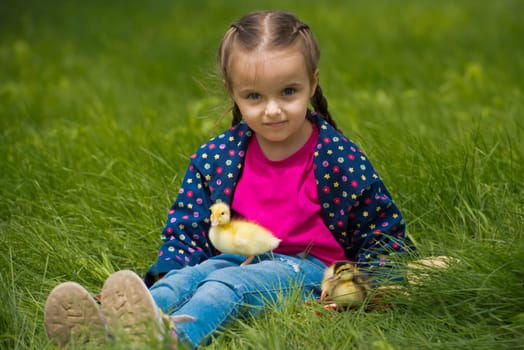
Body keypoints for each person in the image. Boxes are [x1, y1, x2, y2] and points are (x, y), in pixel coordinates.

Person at [44, 10, 414, 349]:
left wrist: (373, 286)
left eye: (288, 91)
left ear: (312, 83)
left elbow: (380, 229)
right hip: (240, 258)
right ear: (232, 91)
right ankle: (109, 328)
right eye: (254, 96)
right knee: (193, 277)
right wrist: (170, 272)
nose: (272, 110)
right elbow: (187, 229)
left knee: (226, 286)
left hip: (307, 268)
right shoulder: (218, 157)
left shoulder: (337, 157)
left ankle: (168, 340)